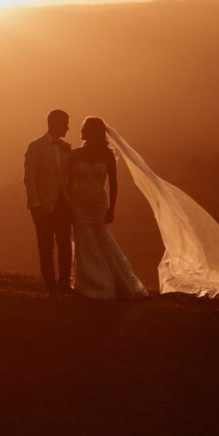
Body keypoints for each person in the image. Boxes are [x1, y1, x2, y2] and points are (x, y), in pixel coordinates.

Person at [67, 117, 148, 300]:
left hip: (98, 203)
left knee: (101, 239)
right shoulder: (75, 154)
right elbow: (69, 182)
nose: (81, 132)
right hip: (79, 203)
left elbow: (113, 183)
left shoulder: (107, 155)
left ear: (93, 132)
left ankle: (109, 280)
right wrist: (70, 203)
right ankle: (89, 281)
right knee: (83, 241)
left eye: (84, 129)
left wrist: (112, 208)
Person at [23, 109, 73, 296]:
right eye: (65, 123)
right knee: (46, 246)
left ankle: (65, 284)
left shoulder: (67, 147)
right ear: (54, 123)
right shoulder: (35, 147)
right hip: (43, 205)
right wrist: (35, 204)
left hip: (64, 203)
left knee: (65, 245)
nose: (68, 127)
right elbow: (29, 178)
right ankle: (51, 287)